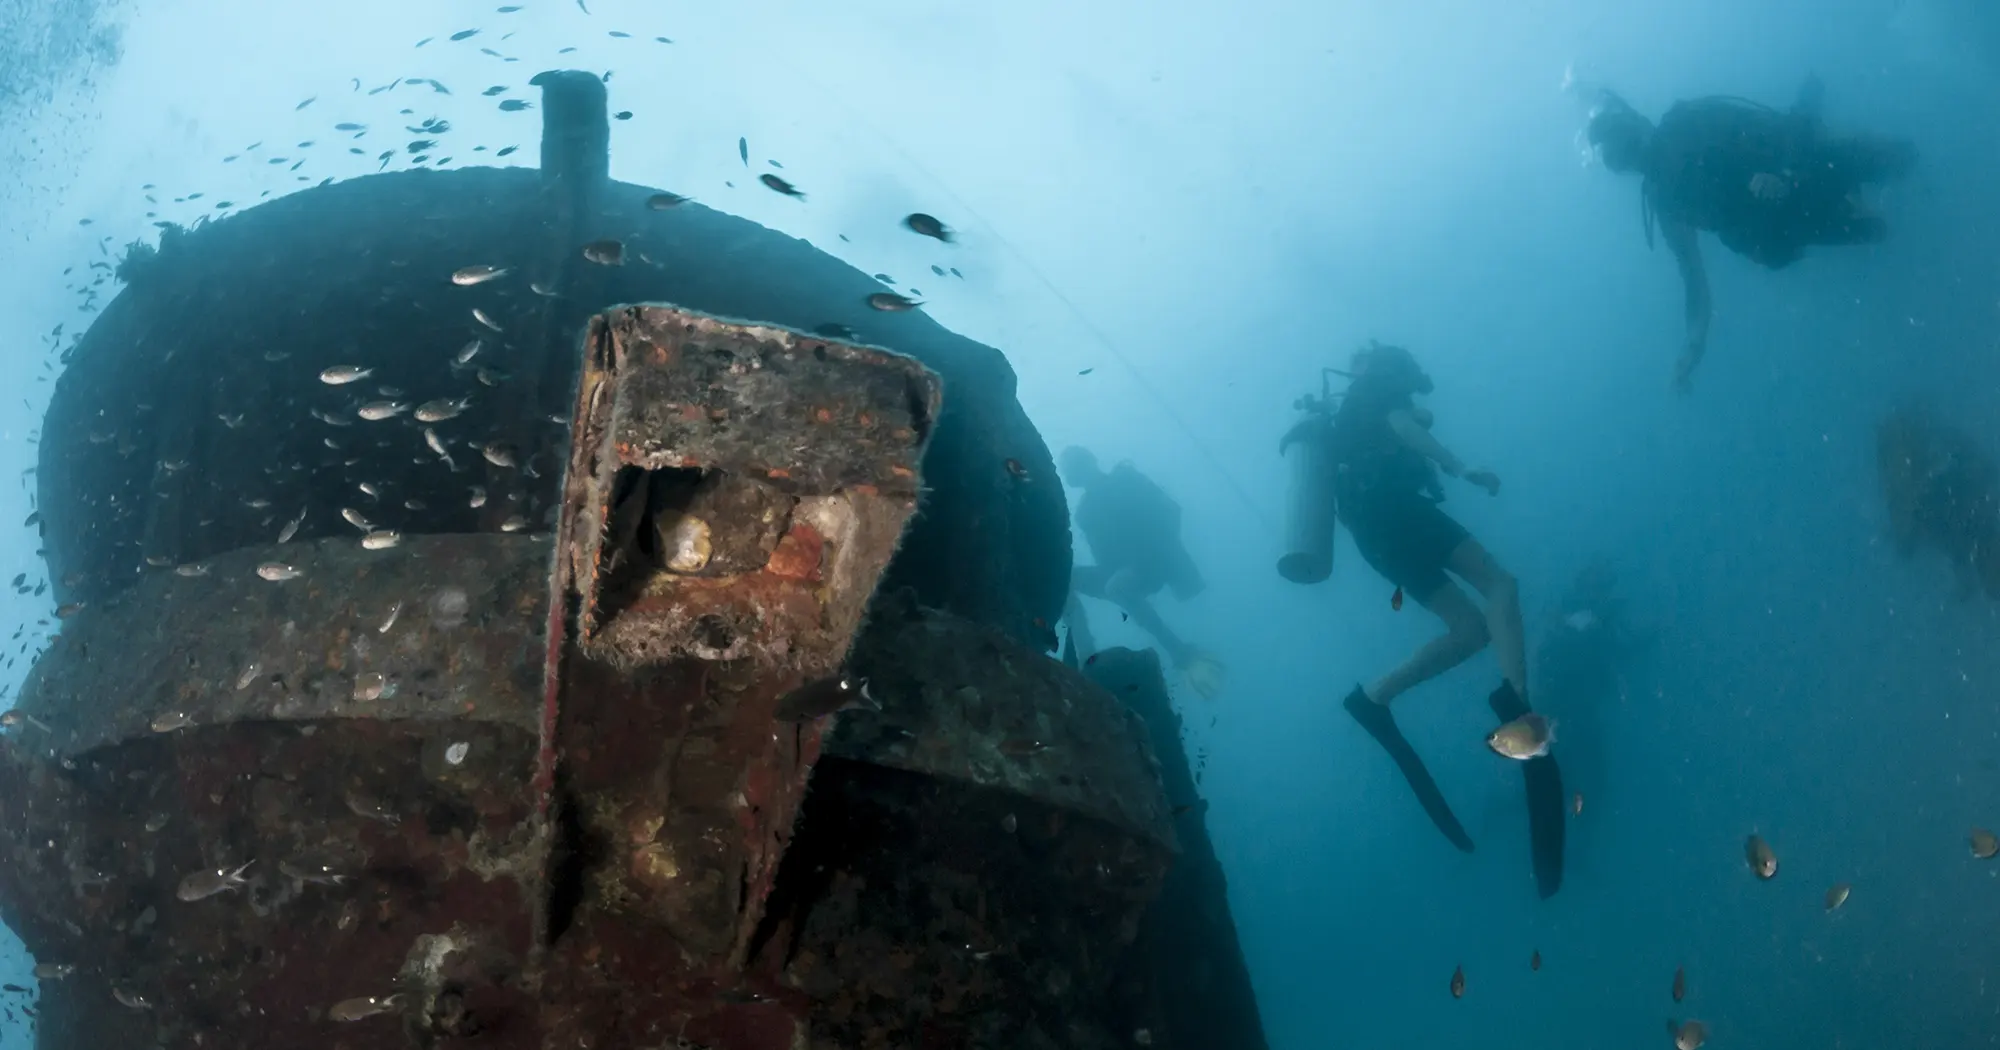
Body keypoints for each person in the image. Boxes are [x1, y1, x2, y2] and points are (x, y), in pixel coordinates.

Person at [1330, 342, 1564, 895]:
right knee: (1500, 584)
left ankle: (1375, 697)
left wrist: (1418, 420)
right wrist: (1460, 467)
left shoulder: (1346, 420)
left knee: (1471, 630)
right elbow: (1402, 425)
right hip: (1398, 511)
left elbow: (1406, 422)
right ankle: (1517, 704)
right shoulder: (1377, 390)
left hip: (1374, 535)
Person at [1583, 76, 1917, 392]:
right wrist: (1693, 346)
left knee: (1899, 160)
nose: (1640, 158)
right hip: (1784, 225)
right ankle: (1869, 194)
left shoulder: (1686, 125)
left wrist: (1784, 173)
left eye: (1630, 145)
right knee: (1878, 228)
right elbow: (1692, 276)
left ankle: (1827, 122)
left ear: (1640, 124)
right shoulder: (1665, 202)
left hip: (1805, 163)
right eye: (1624, 159)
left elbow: (1765, 128)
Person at [1057, 447, 1224, 697]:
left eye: (1076, 464)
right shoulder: (1085, 513)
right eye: (1072, 467)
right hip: (1123, 571)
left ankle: (1178, 650)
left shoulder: (1125, 479)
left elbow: (1170, 512)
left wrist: (1150, 557)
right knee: (1066, 579)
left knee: (1115, 586)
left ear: (1090, 461)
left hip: (1157, 562)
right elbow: (1104, 558)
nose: (1075, 470)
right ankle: (1084, 656)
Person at [1877, 402, 2000, 601]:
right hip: (1938, 485)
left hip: (1936, 487)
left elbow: (1909, 543)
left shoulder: (1967, 537)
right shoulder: (1980, 496)